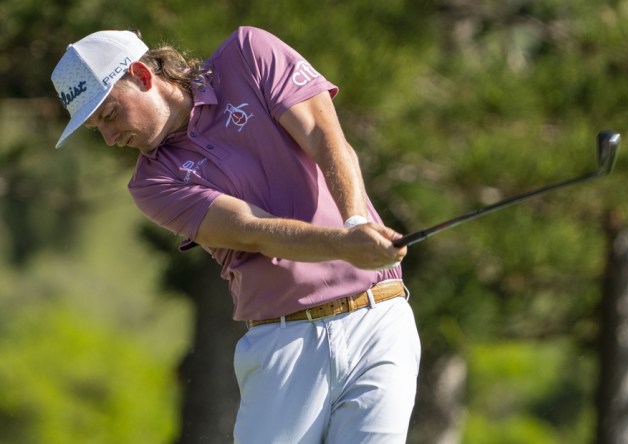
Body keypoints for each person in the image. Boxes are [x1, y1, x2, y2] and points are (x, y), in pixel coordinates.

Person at [51, 26, 421, 443]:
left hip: (378, 317)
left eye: (110, 114)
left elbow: (323, 134)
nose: (110, 138)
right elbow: (253, 230)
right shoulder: (152, 183)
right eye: (96, 129)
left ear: (141, 74)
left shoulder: (249, 54)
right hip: (285, 341)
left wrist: (355, 222)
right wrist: (345, 245)